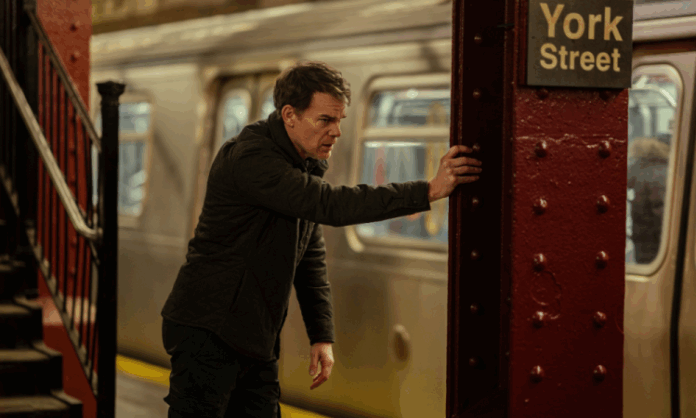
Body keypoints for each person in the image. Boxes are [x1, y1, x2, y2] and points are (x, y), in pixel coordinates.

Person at [160, 61, 482, 418]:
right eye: (325, 120)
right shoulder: (252, 158)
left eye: (340, 120)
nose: (336, 131)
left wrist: (321, 335)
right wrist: (428, 191)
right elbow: (332, 205)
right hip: (209, 329)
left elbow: (309, 258)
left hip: (253, 336)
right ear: (289, 115)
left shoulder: (303, 163)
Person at [627, 135, 670, 264]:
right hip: (658, 242)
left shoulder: (639, 166)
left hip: (641, 237)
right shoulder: (662, 172)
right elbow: (661, 212)